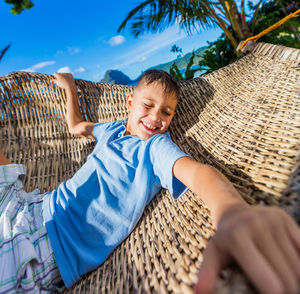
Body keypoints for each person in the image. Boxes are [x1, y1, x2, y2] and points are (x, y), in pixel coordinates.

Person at [0, 69, 299, 294]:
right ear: (130, 101)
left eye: (166, 112)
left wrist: (232, 210)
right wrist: (69, 87)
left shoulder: (154, 148)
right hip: (33, 205)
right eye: (148, 105)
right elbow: (76, 126)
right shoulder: (111, 130)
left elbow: (197, 172)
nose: (156, 117)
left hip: (48, 246)